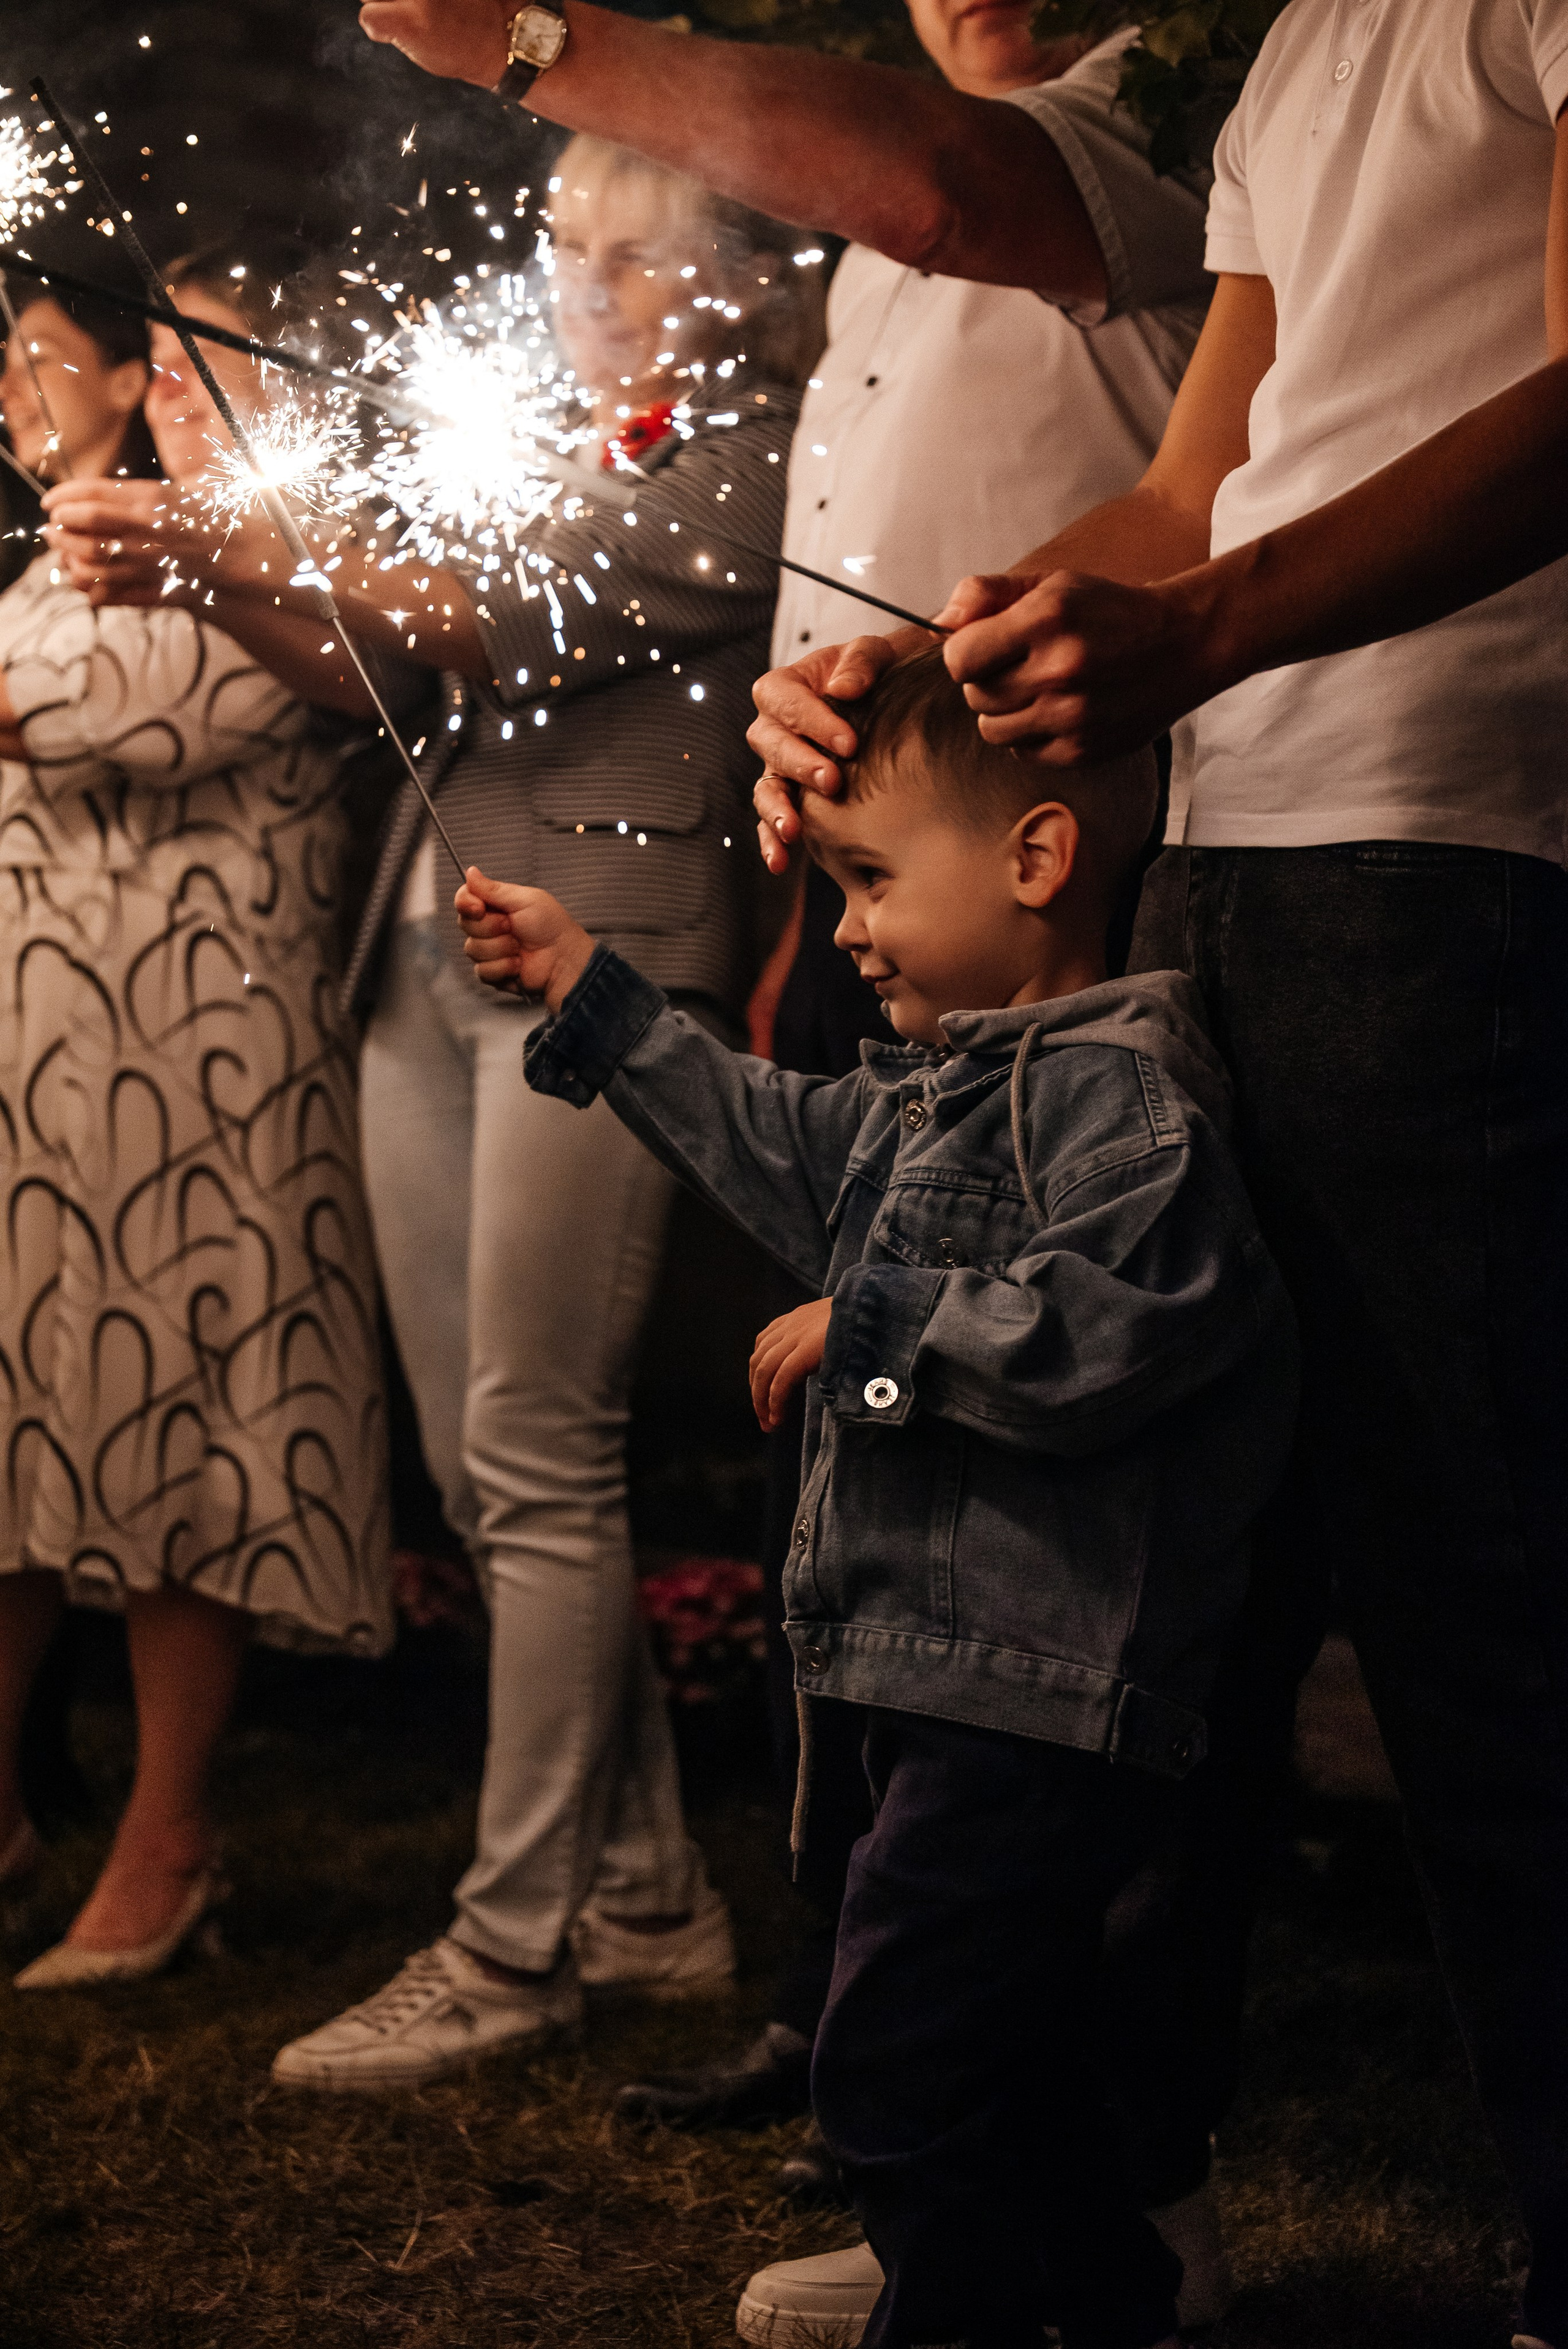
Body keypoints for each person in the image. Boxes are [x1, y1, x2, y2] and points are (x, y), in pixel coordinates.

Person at [747, 4, 1568, 2342]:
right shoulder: (1311, 44)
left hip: (1457, 837)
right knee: (1164, 1580)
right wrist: (917, 671)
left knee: (1484, 1592)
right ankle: (1116, 2210)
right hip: (1239, 837)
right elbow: (1193, 484)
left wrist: (1207, 626)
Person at [348, 0, 1215, 2190]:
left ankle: (1041, 2125)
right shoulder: (862, 293)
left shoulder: (1098, 165)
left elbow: (938, 187)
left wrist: (526, 38)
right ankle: (852, 2005)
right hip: (870, 908)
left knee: (1020, 1509)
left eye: (621, 251)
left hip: (1043, 905)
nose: (581, 285)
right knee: (823, 1483)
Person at [53, 138, 821, 2081]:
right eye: (565, 244)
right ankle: (645, 1896)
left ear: (721, 271)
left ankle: (513, 1942)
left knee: (538, 1449)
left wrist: (219, 530)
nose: (583, 285)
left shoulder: (739, 444)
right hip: (420, 946)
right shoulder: (540, 432)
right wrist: (205, 571)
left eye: (629, 256)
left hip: (604, 962)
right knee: (489, 1475)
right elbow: (372, 653)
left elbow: (495, 622)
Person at [453, 643, 1297, 2349]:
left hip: (1037, 1693)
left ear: (1038, 861)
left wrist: (882, 1318)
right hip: (931, 1676)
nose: (842, 927)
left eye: (871, 878)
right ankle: (1109, 2304)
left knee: (897, 2063)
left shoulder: (1117, 1091)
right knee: (1017, 2054)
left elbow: (1136, 1321)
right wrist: (586, 983)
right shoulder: (942, 1090)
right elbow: (763, 1128)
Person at [0, 266, 390, 1989]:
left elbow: (104, 716)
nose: (169, 386)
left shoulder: (298, 563)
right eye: (158, 356)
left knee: (188, 1447)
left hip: (208, 1092)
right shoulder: (72, 551)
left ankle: (168, 1841)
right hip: (45, 1085)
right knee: (25, 1448)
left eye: (201, 356)